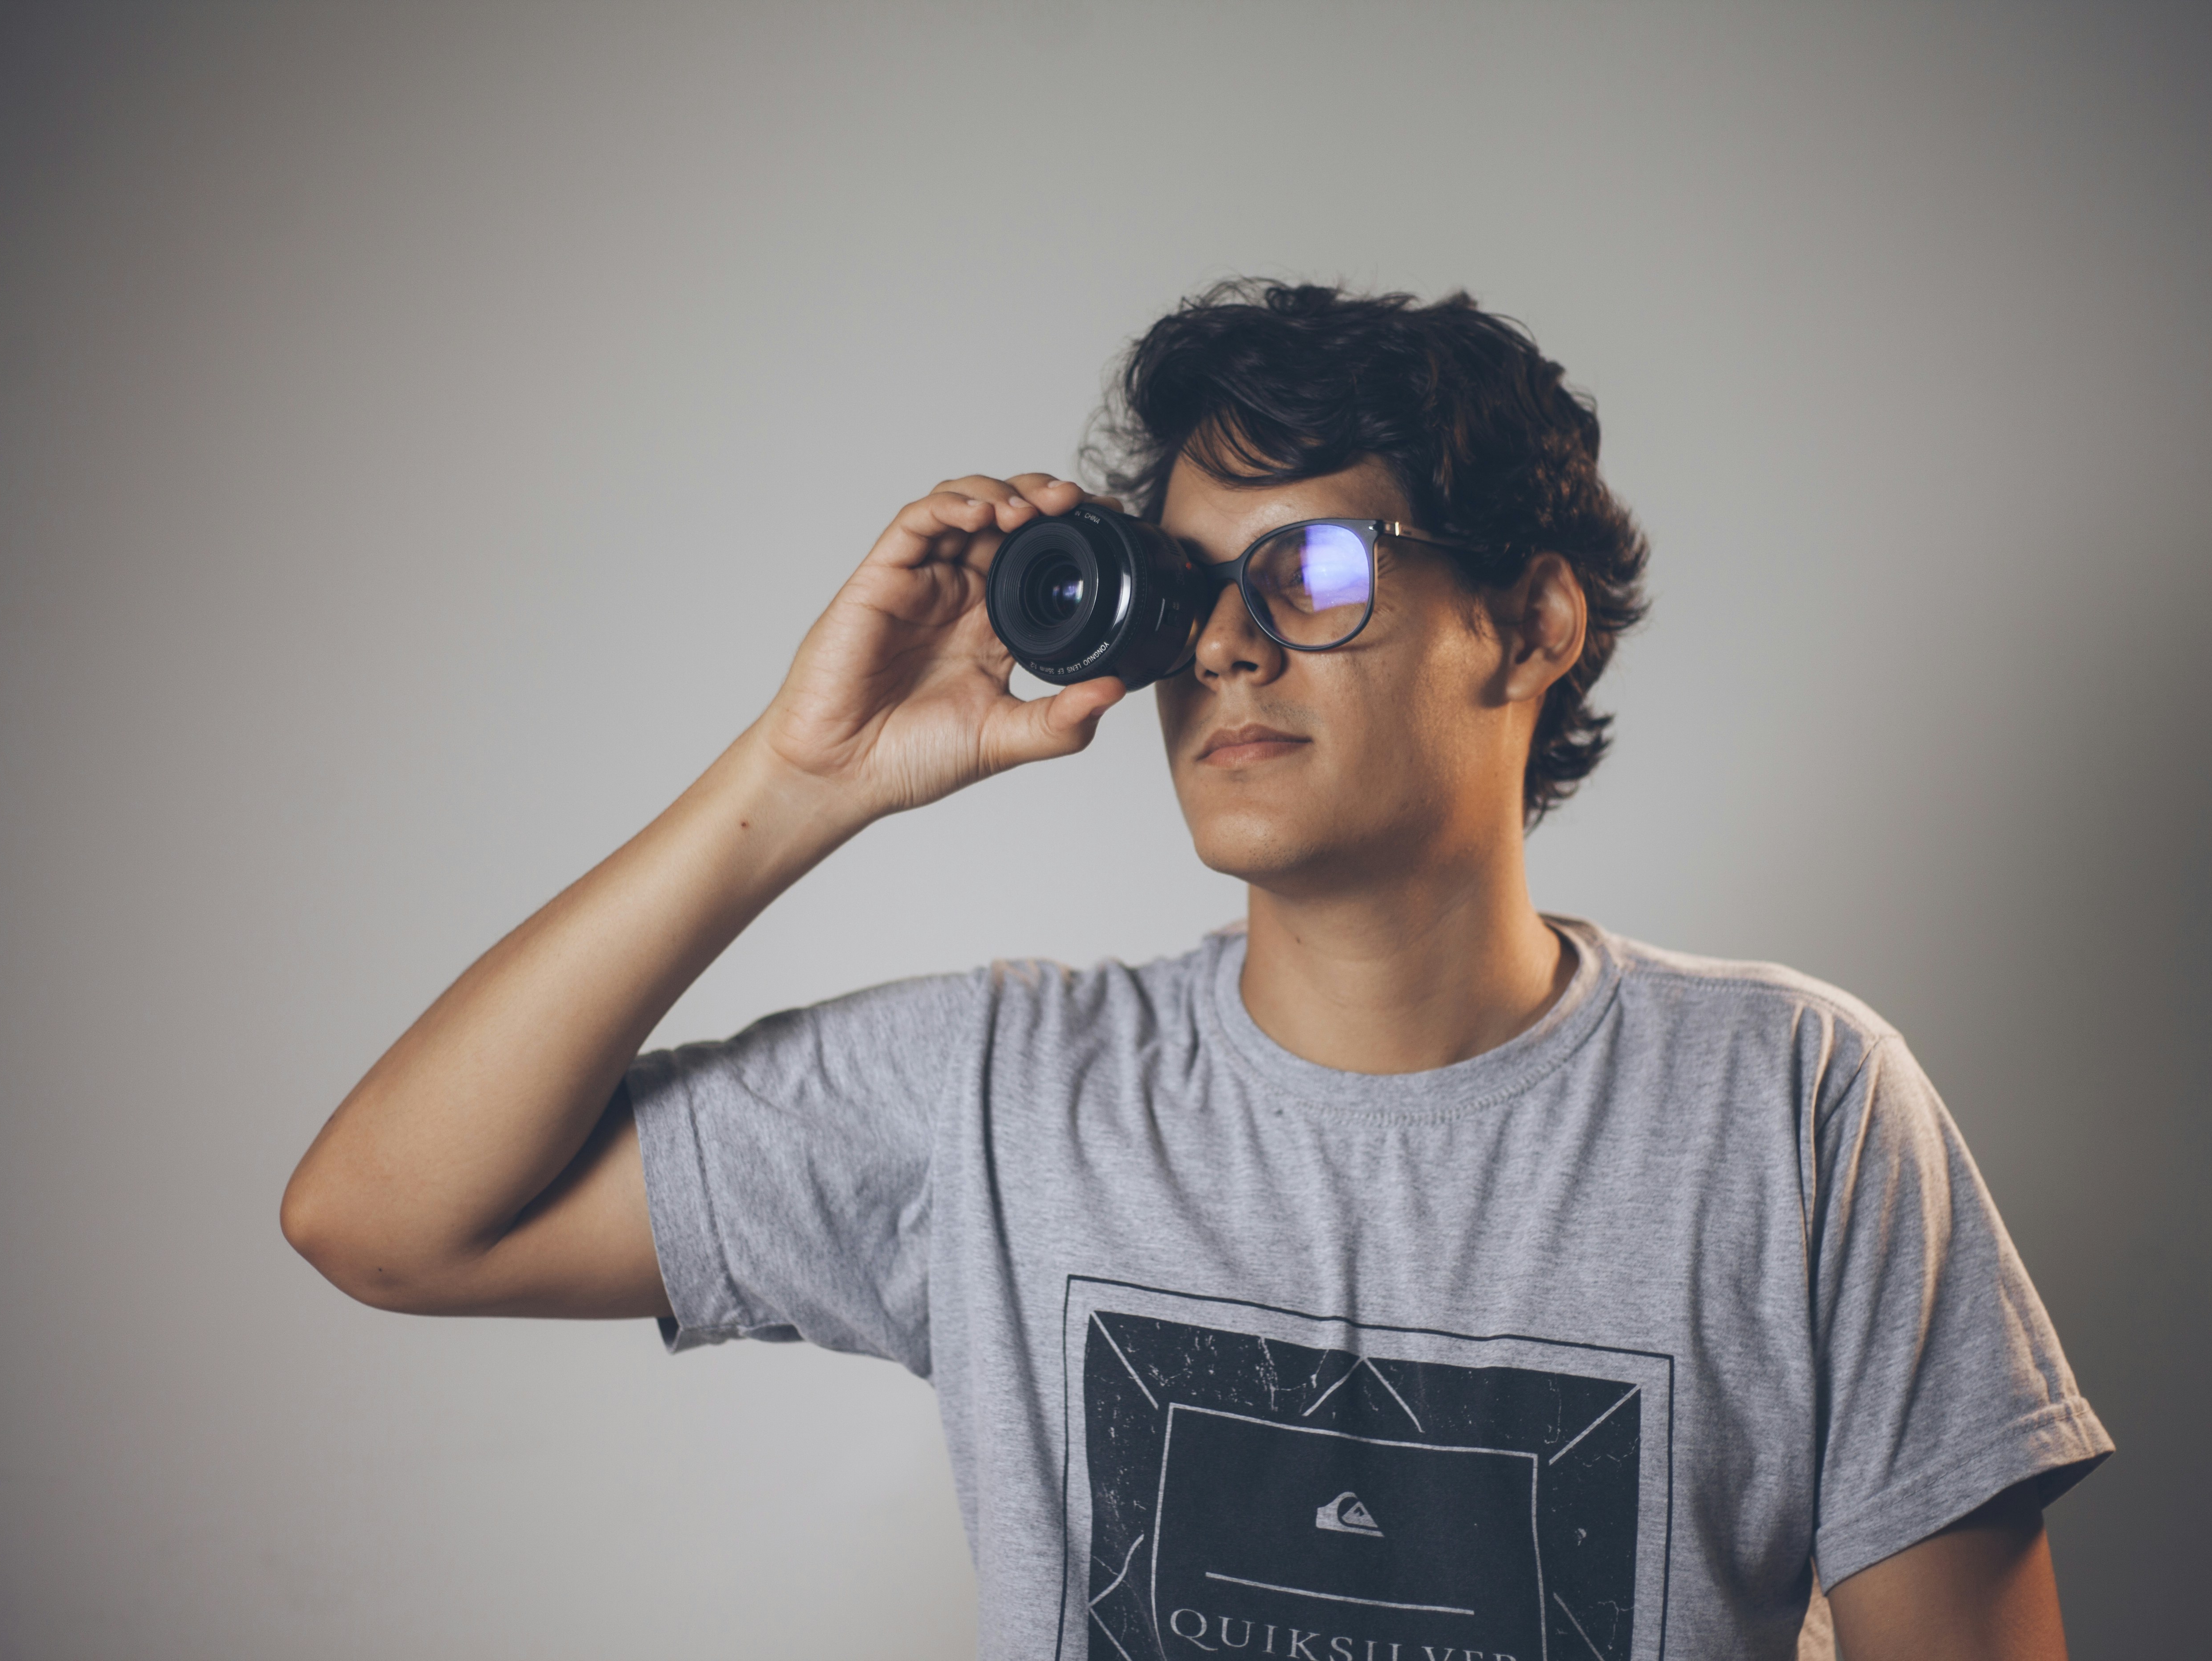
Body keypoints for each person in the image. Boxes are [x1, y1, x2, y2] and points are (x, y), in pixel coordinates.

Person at [283, 281, 2110, 1661]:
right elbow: (383, 1215)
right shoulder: (1003, 1096)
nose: (1224, 646)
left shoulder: (1792, 1111)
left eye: (1314, 566)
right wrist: (795, 783)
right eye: (1179, 581)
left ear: (1533, 623)